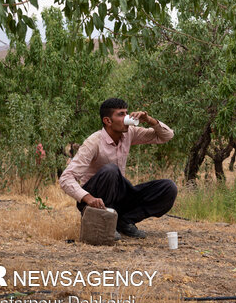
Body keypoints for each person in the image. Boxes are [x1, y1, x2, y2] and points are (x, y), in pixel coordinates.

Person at [59, 98, 177, 238]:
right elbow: (66, 178)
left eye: (127, 113)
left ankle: (124, 221)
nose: (127, 117)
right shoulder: (94, 142)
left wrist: (149, 120)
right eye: (121, 114)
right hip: (95, 201)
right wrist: (88, 198)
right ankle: (104, 224)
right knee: (111, 170)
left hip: (118, 196)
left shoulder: (129, 133)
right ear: (107, 121)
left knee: (168, 188)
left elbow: (167, 136)